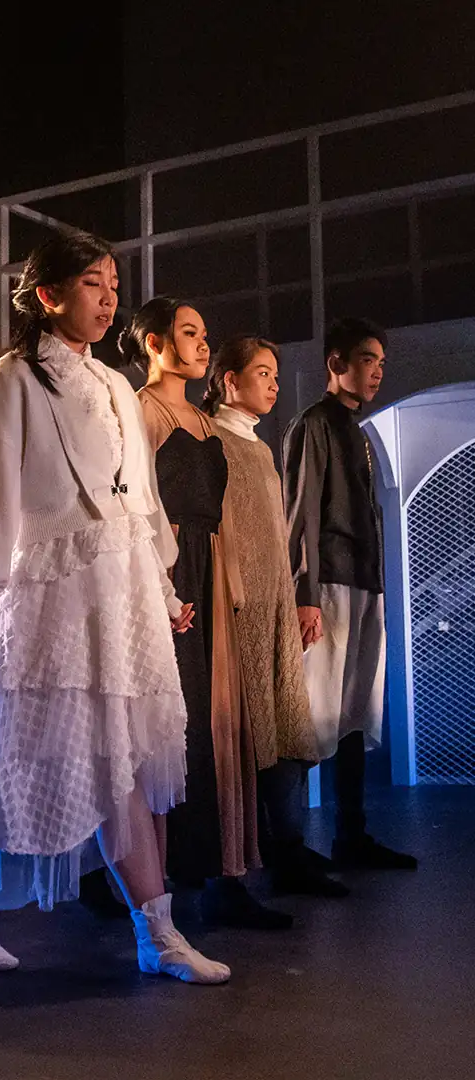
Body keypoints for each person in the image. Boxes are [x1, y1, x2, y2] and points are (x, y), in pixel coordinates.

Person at [0, 232, 231, 985]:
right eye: (93, 283)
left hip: (120, 594)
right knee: (12, 753)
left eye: (114, 285)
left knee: (124, 757)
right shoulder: (15, 377)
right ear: (49, 294)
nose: (108, 298)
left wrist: (162, 590)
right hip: (49, 590)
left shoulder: (117, 386)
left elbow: (139, 500)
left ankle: (157, 933)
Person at [129, 299, 289, 930]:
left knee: (219, 720)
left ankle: (222, 872)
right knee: (173, 721)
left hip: (211, 567)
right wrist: (157, 585)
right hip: (166, 567)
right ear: (154, 342)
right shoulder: (140, 411)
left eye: (202, 334)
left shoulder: (202, 419)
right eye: (188, 333)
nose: (201, 344)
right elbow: (133, 506)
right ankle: (147, 879)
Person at [203, 336, 347, 898]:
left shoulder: (260, 448)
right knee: (248, 733)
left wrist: (294, 596)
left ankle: (287, 849)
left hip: (275, 603)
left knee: (285, 725)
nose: (273, 383)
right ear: (229, 380)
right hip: (239, 608)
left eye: (275, 374)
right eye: (261, 372)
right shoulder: (212, 438)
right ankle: (243, 861)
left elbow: (277, 532)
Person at [282, 317, 417, 871]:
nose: (377, 372)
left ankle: (350, 835)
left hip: (363, 581)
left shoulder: (356, 431)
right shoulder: (314, 424)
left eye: (381, 362)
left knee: (356, 711)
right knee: (314, 713)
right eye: (367, 360)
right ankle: (287, 848)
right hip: (330, 583)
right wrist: (305, 591)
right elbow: (301, 512)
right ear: (336, 363)